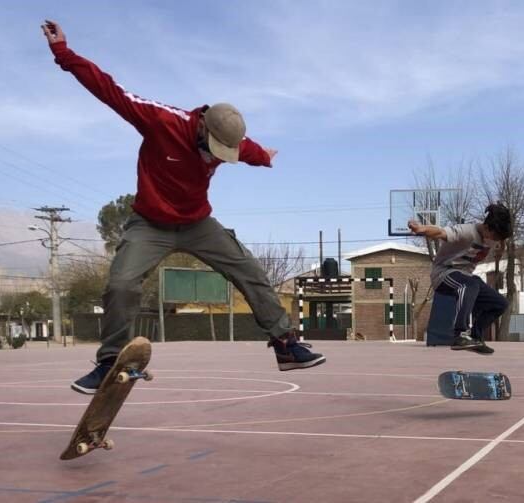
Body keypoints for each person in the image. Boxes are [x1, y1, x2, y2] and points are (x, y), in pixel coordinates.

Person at [41, 20, 325, 394]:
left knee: (248, 269)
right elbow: (108, 90)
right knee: (122, 283)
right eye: (215, 149)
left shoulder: (234, 143)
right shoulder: (161, 120)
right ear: (202, 127)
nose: (218, 158)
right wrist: (63, 52)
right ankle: (109, 362)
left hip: (197, 222)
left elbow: (251, 152)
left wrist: (266, 157)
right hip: (150, 222)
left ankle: (286, 346)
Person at [408, 203, 513, 355]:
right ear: (487, 227)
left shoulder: (494, 236)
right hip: (444, 274)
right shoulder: (466, 232)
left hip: (466, 276)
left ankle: (475, 337)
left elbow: (501, 239)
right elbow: (441, 232)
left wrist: (502, 245)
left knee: (500, 303)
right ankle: (460, 334)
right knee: (469, 285)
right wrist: (421, 229)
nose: (495, 240)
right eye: (495, 237)